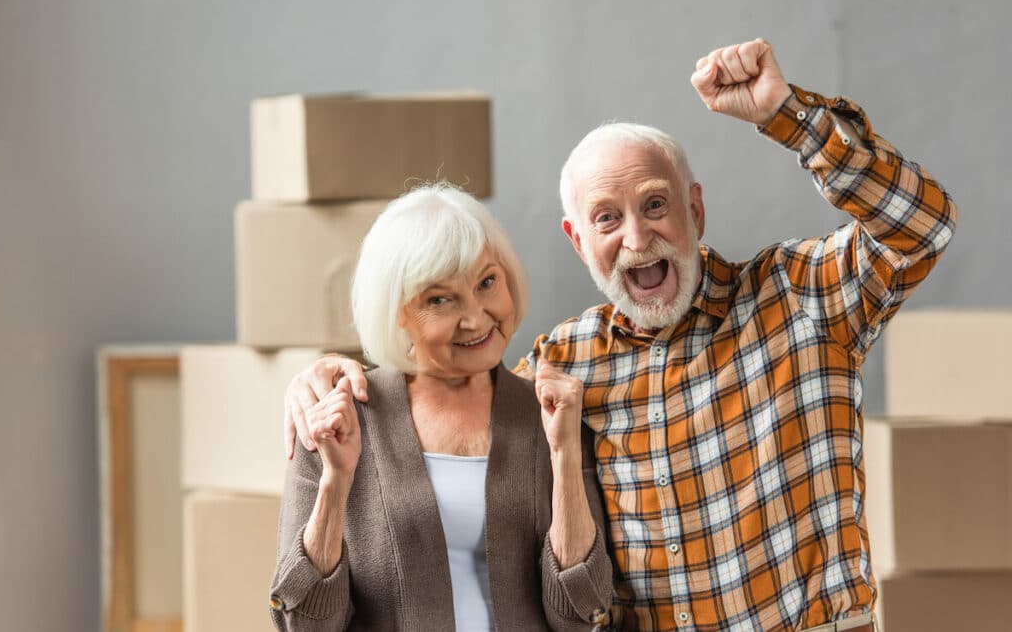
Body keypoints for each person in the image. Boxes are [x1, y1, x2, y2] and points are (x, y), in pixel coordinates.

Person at [282, 39, 957, 631]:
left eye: (655, 205)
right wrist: (319, 375)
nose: (637, 238)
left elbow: (923, 225)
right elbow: (443, 390)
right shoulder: (559, 365)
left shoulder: (803, 298)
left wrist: (790, 116)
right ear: (579, 243)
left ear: (694, 208)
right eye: (607, 219)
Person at [269, 185, 613, 631]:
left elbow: (582, 618)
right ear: (396, 312)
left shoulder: (550, 417)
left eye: (487, 282)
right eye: (439, 299)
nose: (475, 318)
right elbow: (303, 624)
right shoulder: (337, 418)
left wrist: (565, 457)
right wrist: (335, 482)